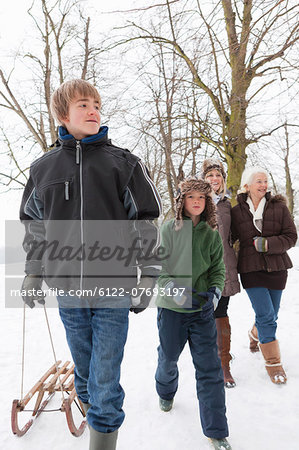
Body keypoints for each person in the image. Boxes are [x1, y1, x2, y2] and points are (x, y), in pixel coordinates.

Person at [19, 79, 161, 450]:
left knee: (103, 378)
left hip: (113, 287)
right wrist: (34, 270)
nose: (94, 110)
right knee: (85, 375)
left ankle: (102, 430)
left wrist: (149, 275)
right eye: (84, 104)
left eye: (97, 103)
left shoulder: (124, 164)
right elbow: (33, 224)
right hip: (68, 289)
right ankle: (93, 408)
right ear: (64, 115)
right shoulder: (42, 169)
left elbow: (146, 221)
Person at [155, 177, 232, 450]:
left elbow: (217, 269)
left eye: (201, 197)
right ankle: (165, 391)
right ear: (182, 201)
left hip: (200, 311)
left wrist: (214, 292)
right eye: (191, 197)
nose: (197, 201)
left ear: (207, 201)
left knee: (210, 370)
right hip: (172, 311)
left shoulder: (211, 234)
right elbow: (158, 270)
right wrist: (173, 289)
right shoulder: (168, 230)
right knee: (167, 360)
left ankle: (217, 431)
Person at [231, 166, 297, 385]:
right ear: (247, 185)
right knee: (267, 315)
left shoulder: (279, 207)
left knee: (271, 315)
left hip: (277, 268)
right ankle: (273, 363)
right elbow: (227, 238)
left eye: (265, 181)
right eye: (258, 181)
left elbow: (291, 236)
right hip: (251, 269)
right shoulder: (236, 211)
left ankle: (254, 334)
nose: (264, 185)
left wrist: (269, 243)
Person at [201, 159, 240, 388]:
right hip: (202, 268)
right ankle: (210, 357)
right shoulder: (195, 201)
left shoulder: (227, 205)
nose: (214, 179)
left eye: (218, 175)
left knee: (221, 311)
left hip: (224, 266)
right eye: (210, 175)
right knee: (205, 312)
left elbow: (234, 235)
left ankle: (223, 363)